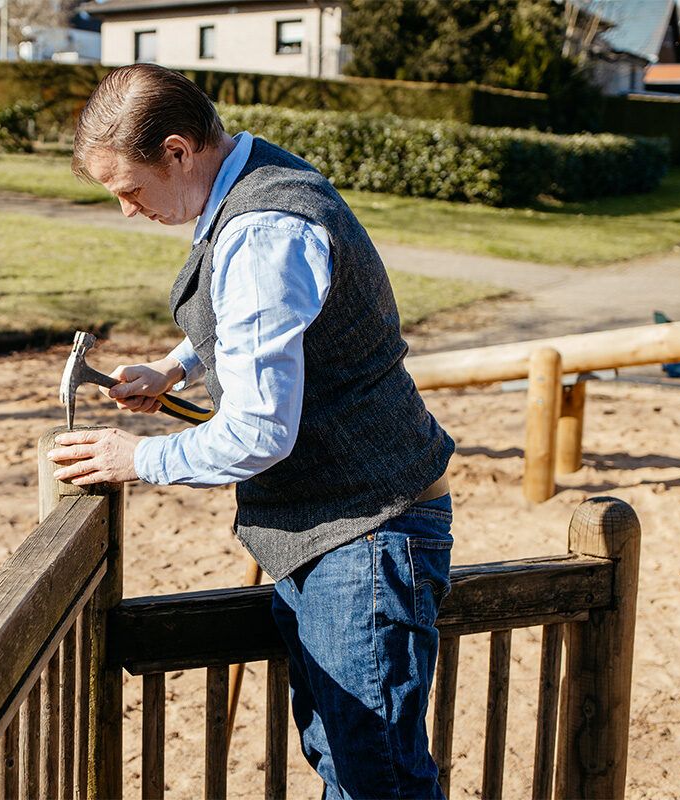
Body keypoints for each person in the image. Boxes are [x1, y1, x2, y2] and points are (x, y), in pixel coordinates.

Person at [46, 64, 456, 799]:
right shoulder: (252, 182)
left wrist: (136, 458)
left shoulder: (266, 227)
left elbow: (259, 434)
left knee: (377, 781)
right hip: (334, 528)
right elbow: (259, 318)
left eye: (129, 190)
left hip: (365, 533)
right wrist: (175, 369)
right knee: (343, 760)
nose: (129, 212)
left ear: (177, 151)